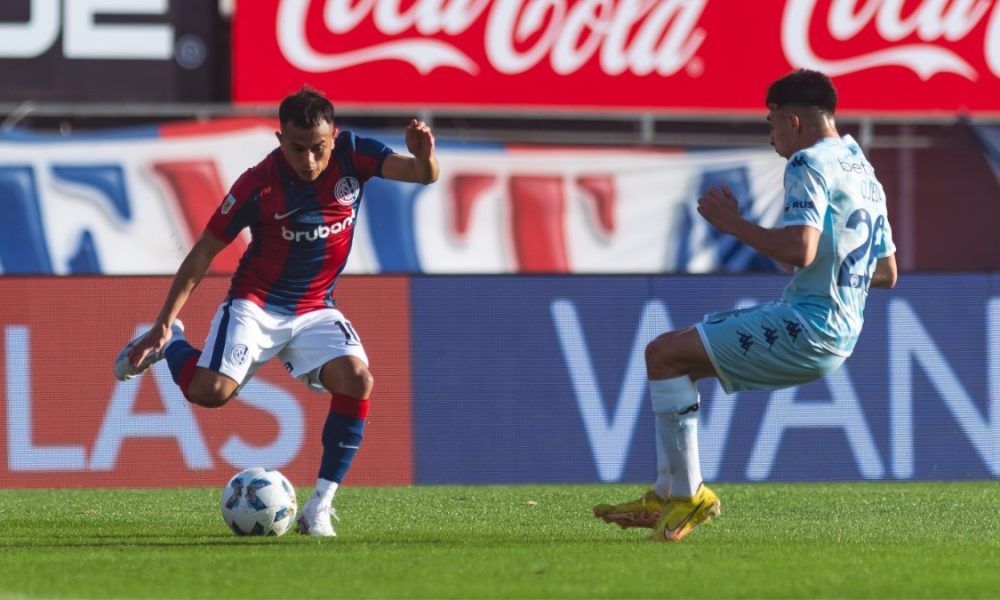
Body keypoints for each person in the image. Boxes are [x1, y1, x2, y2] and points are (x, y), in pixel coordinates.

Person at [113, 86, 439, 537]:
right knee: (211, 393)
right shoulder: (257, 184)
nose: (308, 160)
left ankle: (318, 507)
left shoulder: (354, 155)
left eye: (318, 148)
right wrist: (163, 321)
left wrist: (424, 157)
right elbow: (204, 252)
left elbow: (422, 176)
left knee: (359, 379)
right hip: (257, 305)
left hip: (315, 308)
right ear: (279, 138)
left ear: (334, 137)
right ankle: (173, 346)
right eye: (297, 148)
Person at [593, 69, 897, 542]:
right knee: (674, 360)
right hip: (839, 330)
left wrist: (733, 223)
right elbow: (887, 272)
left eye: (772, 123)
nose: (771, 136)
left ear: (793, 121)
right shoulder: (864, 171)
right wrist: (830, 274)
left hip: (808, 326)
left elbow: (801, 249)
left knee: (663, 354)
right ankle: (669, 492)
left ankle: (686, 496)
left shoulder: (808, 163)